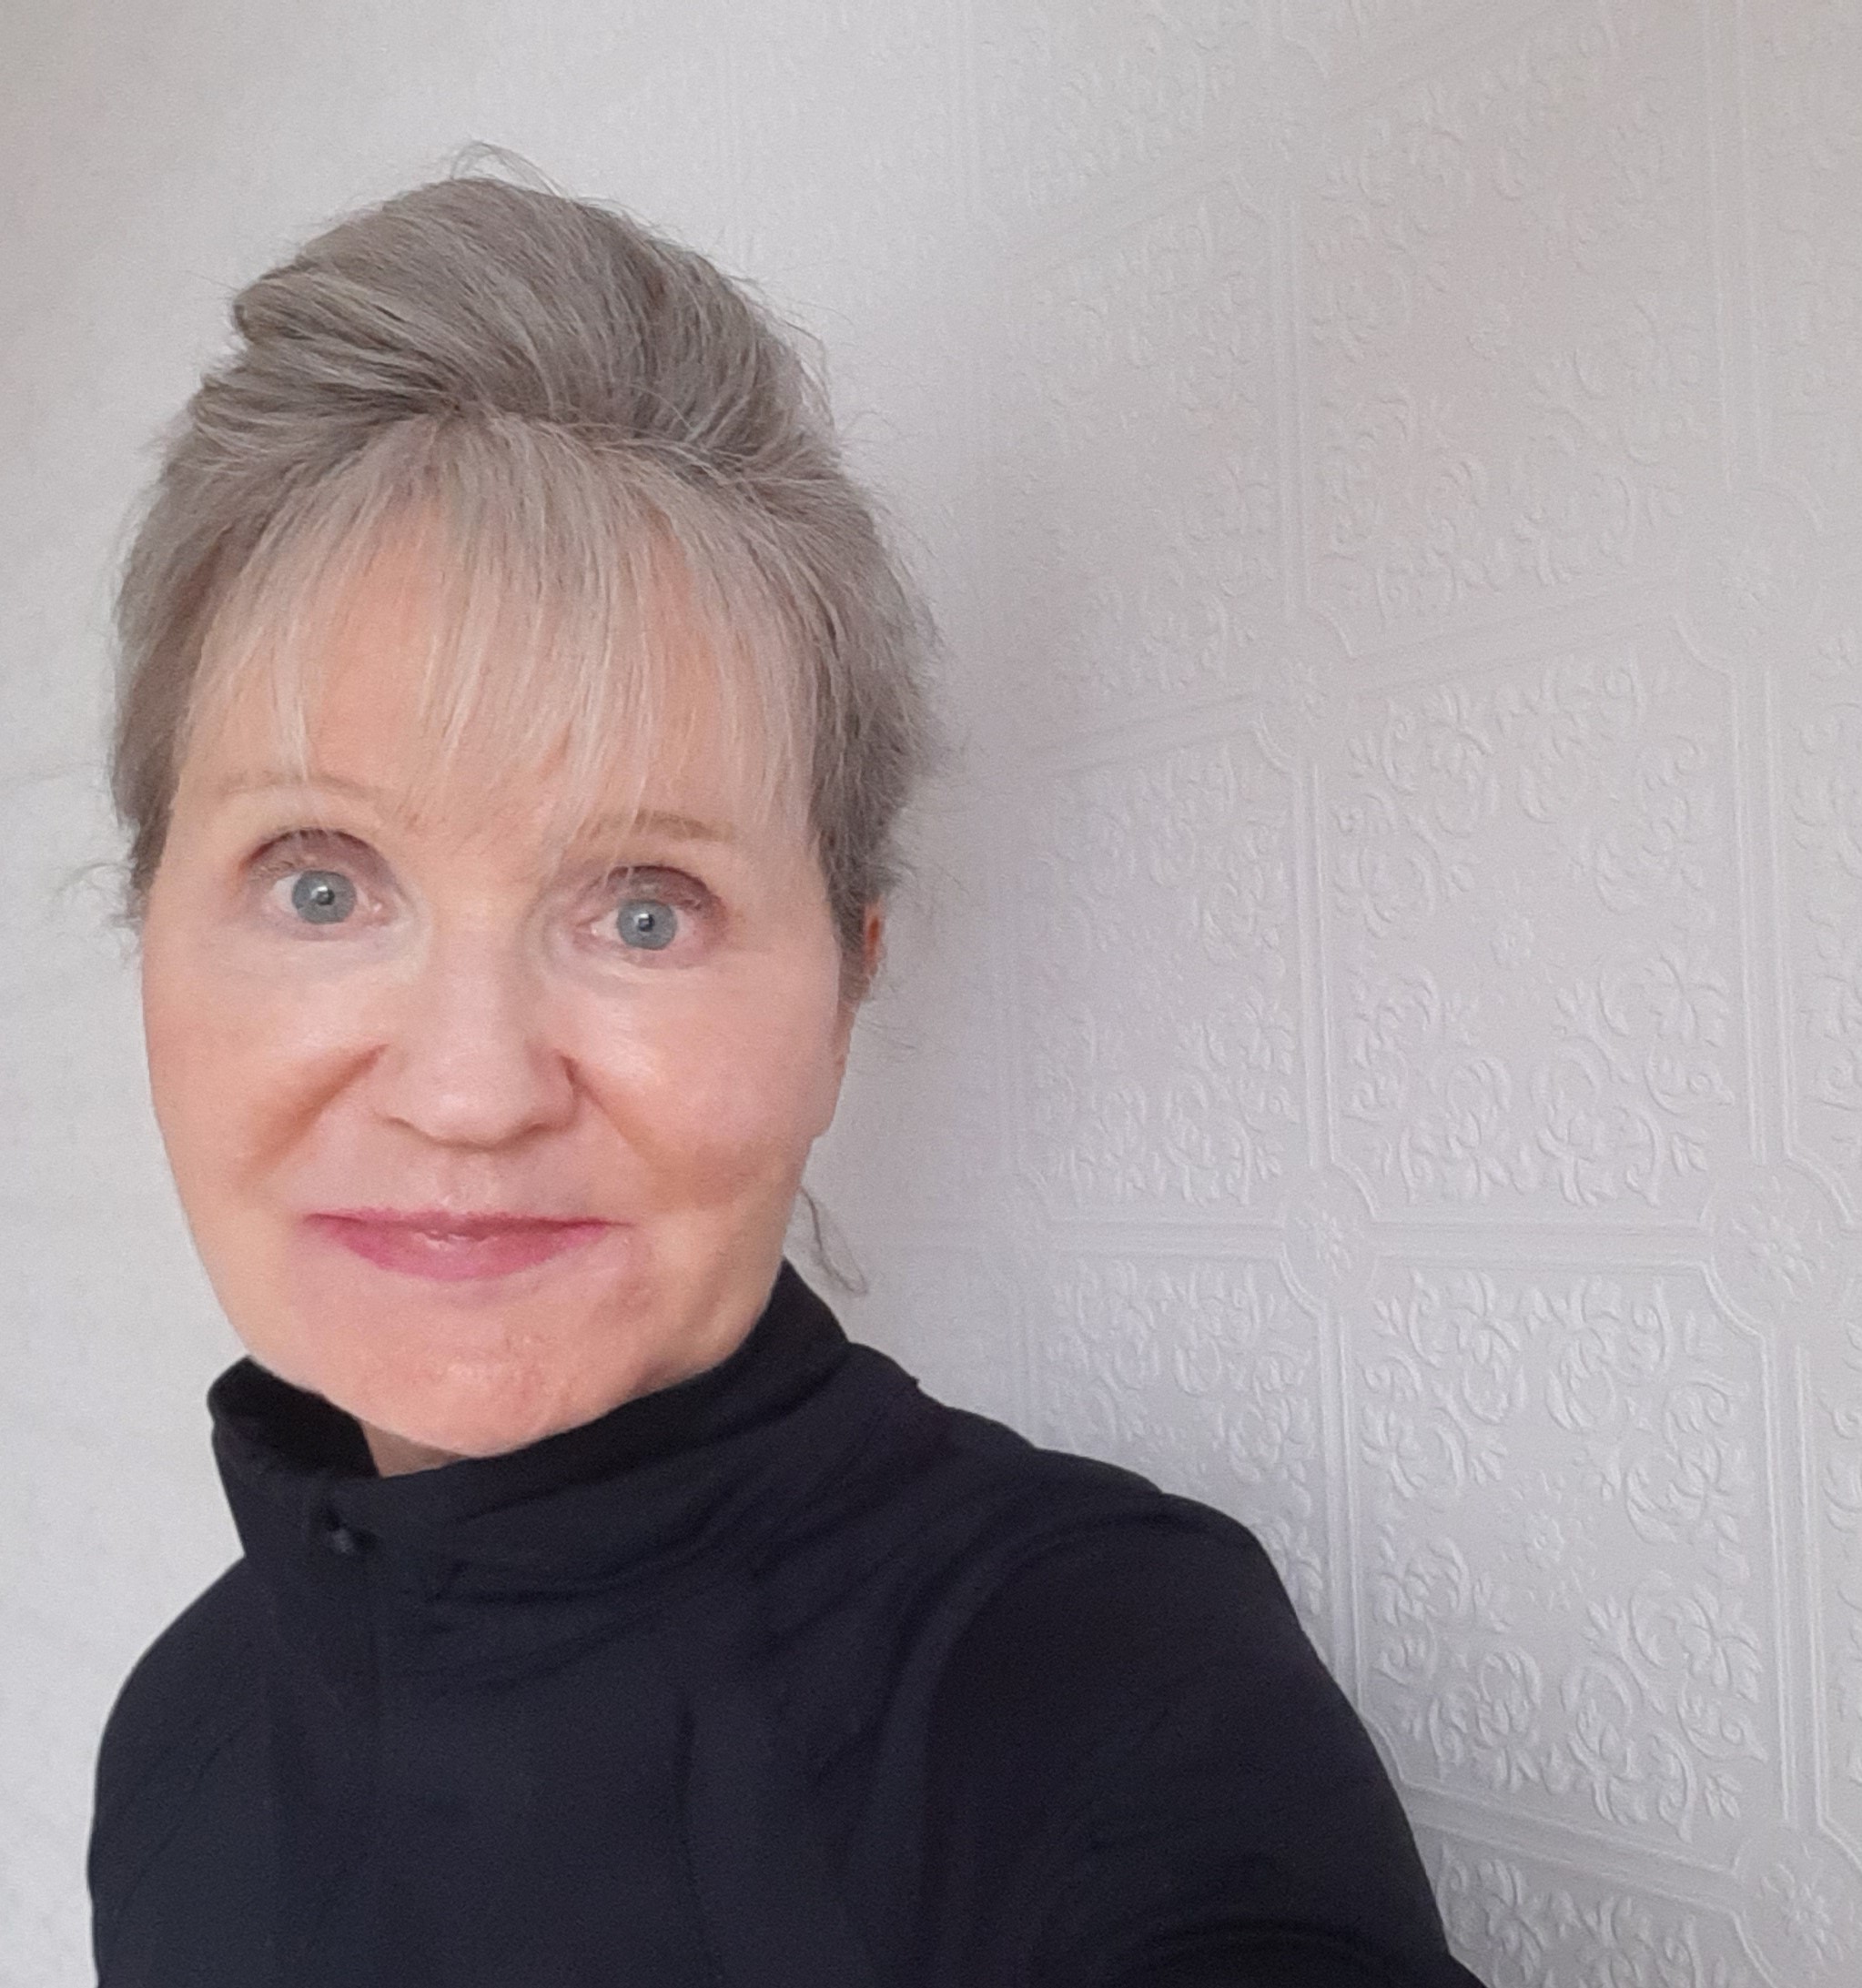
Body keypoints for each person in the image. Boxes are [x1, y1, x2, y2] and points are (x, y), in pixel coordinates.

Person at [86, 167, 1487, 1988]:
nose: (469, 1088)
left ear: (846, 991)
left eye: (645, 908)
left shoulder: (1094, 1686)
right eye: (323, 880)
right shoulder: (172, 1737)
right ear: (153, 929)